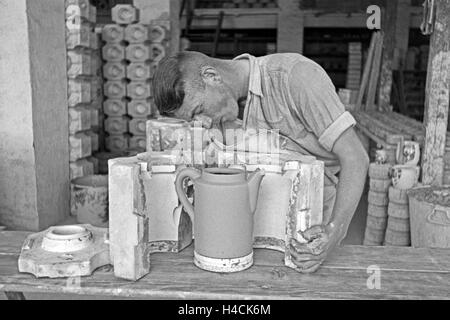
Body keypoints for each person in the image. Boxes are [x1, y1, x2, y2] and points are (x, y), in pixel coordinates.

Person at [152, 51, 369, 273]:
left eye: (199, 110)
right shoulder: (224, 110)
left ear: (212, 76)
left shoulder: (296, 77)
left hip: (311, 213)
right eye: (193, 119)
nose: (204, 123)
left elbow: (356, 158)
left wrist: (335, 230)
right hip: (253, 227)